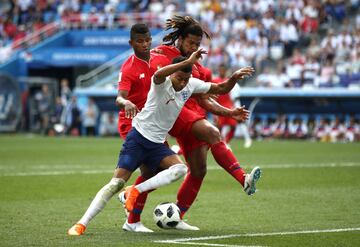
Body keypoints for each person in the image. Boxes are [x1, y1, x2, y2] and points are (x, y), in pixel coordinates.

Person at [68, 48, 254, 236]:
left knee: (180, 169)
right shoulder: (160, 82)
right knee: (115, 183)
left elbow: (220, 88)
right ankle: (81, 223)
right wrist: (187, 61)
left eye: (186, 79)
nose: (182, 83)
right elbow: (158, 73)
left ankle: (133, 191)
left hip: (157, 144)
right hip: (138, 139)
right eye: (179, 78)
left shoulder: (191, 84)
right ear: (173, 72)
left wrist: (234, 77)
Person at [120, 16, 262, 231]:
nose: (194, 48)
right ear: (180, 40)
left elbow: (207, 97)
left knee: (196, 171)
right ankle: (243, 178)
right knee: (212, 133)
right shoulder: (161, 54)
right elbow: (148, 75)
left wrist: (230, 111)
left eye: (198, 44)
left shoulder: (199, 70)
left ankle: (173, 216)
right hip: (164, 115)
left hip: (184, 114)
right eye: (191, 43)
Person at [212, 64, 252, 148]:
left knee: (234, 125)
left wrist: (234, 105)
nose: (222, 71)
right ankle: (221, 144)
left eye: (223, 70)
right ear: (218, 70)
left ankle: (226, 142)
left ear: (226, 71)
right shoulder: (214, 80)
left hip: (229, 105)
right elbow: (212, 94)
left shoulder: (229, 80)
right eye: (220, 70)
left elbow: (234, 96)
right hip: (218, 106)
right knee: (219, 127)